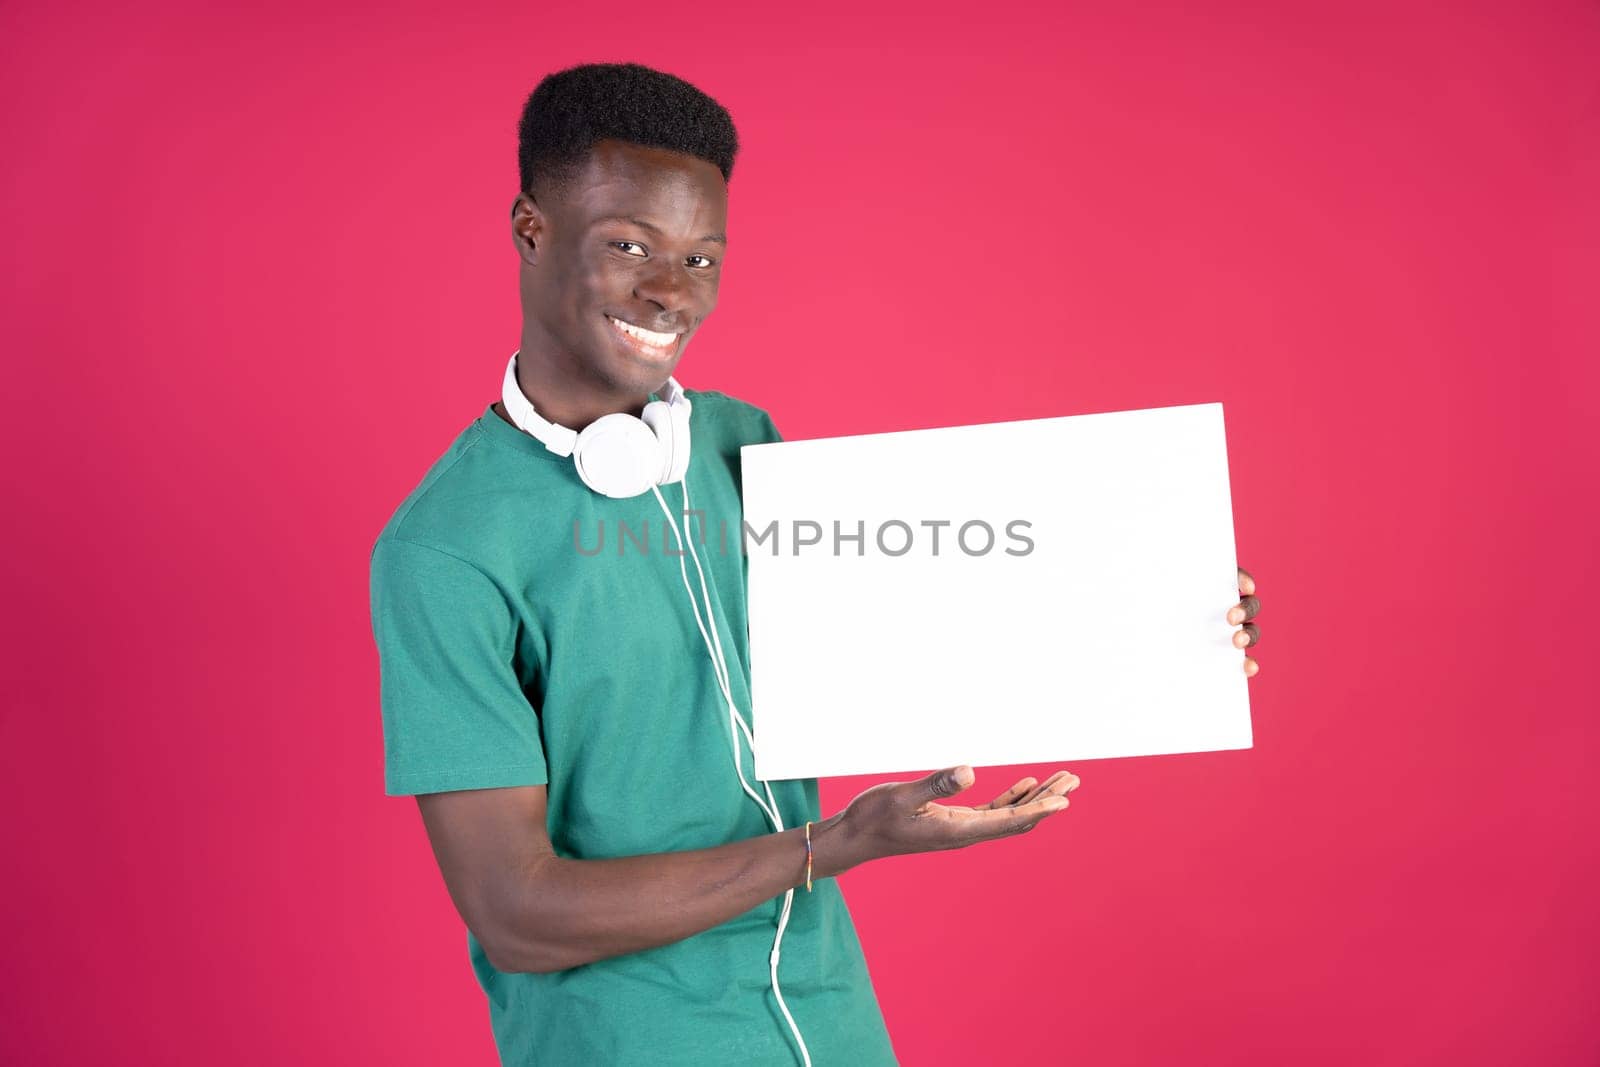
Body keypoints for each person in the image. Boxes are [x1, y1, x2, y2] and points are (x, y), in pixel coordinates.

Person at [368, 62, 1264, 1066]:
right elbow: (518, 913)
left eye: (702, 258)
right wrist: (828, 847)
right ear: (531, 228)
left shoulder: (741, 445)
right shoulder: (445, 550)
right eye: (629, 245)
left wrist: (1162, 605)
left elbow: (936, 619)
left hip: (827, 1013)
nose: (669, 292)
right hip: (627, 1038)